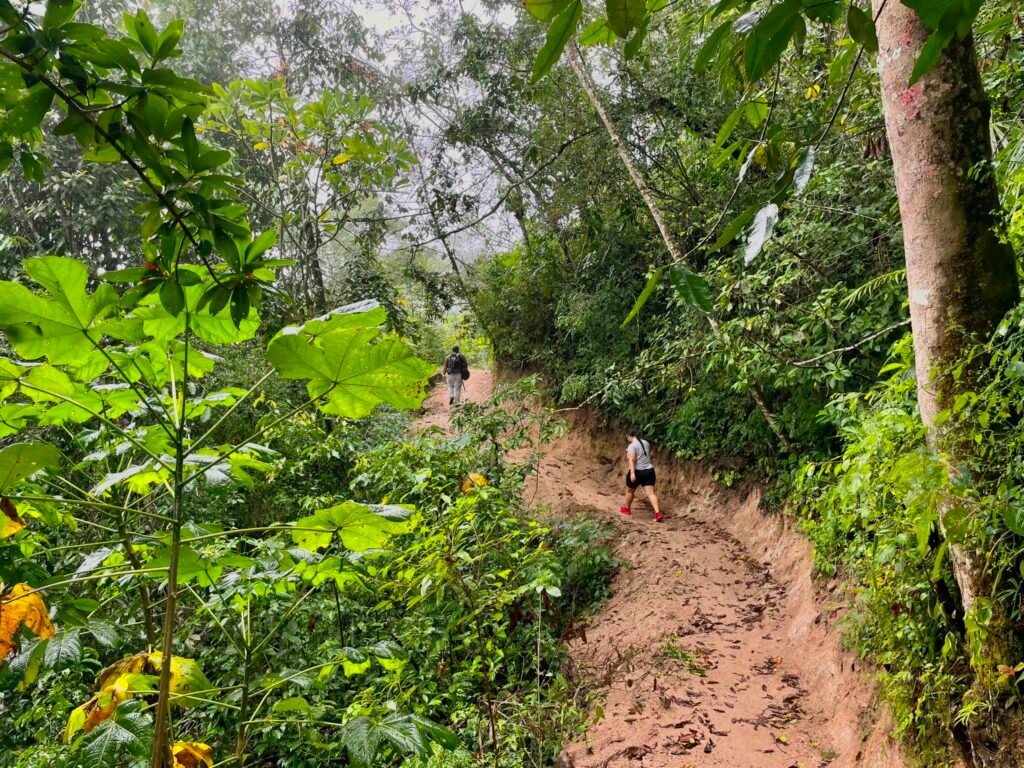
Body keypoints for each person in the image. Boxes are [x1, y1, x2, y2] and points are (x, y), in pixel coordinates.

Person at [620, 429, 664, 522]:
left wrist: (632, 473)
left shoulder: (632, 446)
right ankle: (657, 513)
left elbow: (632, 460)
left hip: (637, 471)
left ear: (629, 436)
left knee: (630, 491)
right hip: (649, 470)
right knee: (651, 493)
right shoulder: (646, 443)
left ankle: (627, 509)